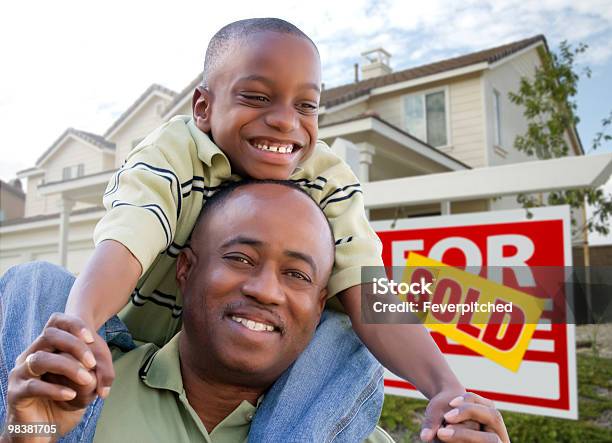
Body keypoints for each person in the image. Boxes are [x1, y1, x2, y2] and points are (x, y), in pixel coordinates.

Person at [61, 18, 462, 440]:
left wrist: (447, 390)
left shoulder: (327, 178)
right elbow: (127, 239)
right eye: (256, 97)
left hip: (264, 376)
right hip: (126, 347)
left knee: (346, 331)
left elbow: (371, 292)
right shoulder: (172, 151)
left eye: (306, 105)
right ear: (203, 107)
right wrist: (80, 326)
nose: (285, 122)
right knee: (39, 284)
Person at [1, 181, 510, 443]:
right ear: (186, 270)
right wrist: (28, 435)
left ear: (320, 308)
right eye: (240, 258)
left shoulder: (346, 433)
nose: (267, 290)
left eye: (298, 275)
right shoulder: (70, 394)